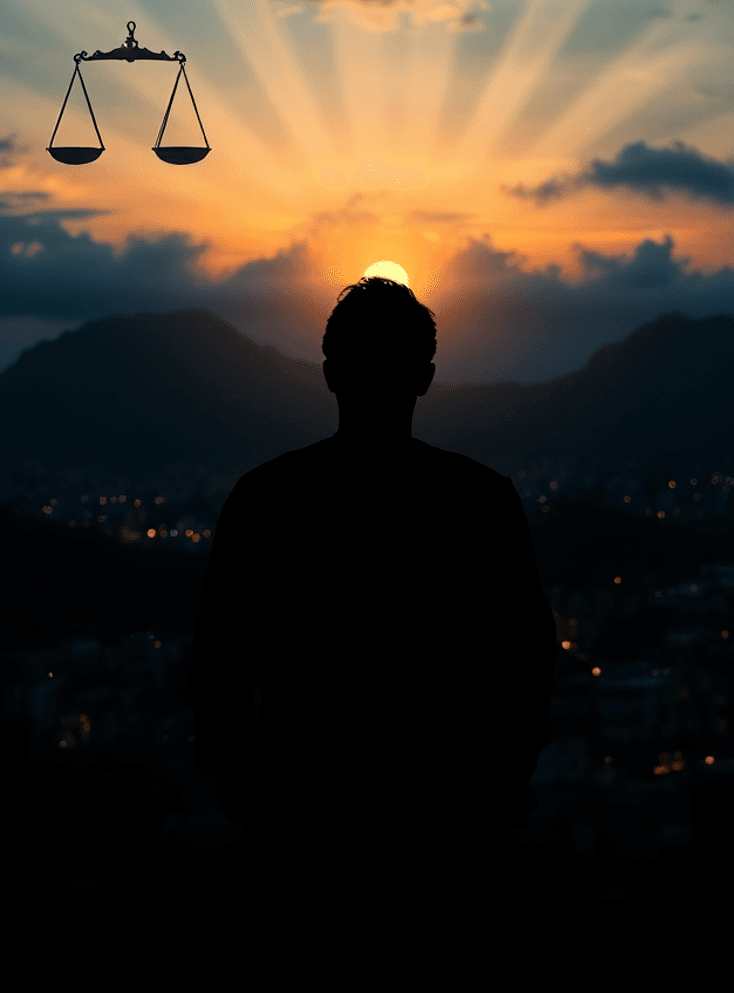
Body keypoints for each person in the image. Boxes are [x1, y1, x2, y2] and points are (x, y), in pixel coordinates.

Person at [189, 277, 556, 883]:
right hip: (445, 817)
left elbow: (217, 659)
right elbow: (528, 658)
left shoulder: (267, 500)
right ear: (425, 378)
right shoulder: (480, 502)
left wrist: (242, 784)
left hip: (305, 815)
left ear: (331, 374)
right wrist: (498, 785)